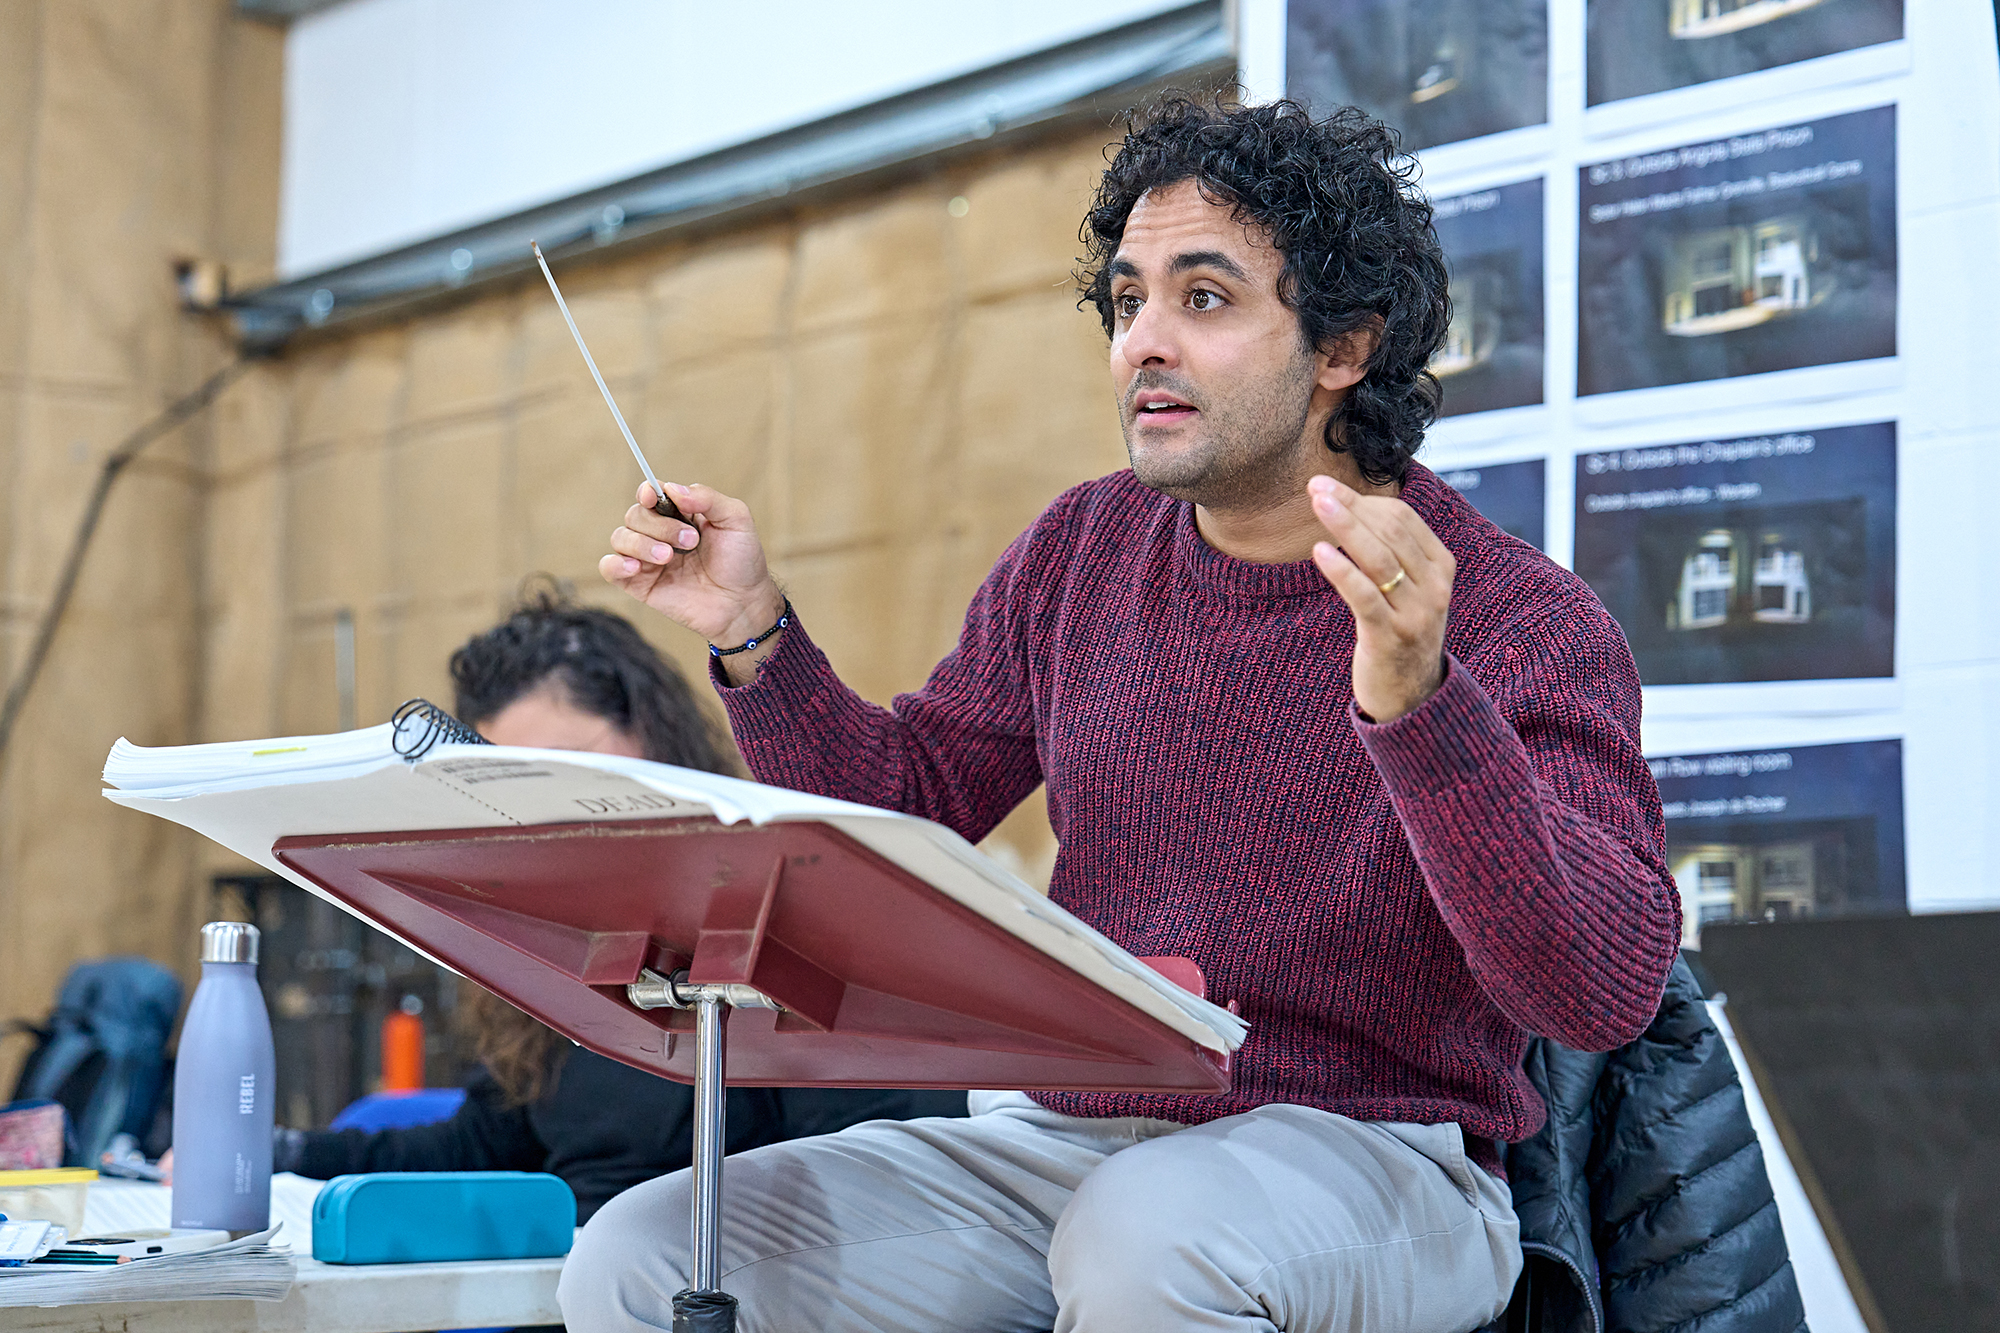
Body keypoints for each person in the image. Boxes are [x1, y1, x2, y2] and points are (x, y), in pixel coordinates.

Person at [564, 97, 1683, 1333]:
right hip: (1067, 1140)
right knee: (645, 1249)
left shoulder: (1520, 617)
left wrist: (1419, 704)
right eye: (1125, 299)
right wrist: (750, 631)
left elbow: (1600, 990)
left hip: (1381, 1163)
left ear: (1342, 346)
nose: (1141, 342)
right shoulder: (1079, 551)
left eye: (1201, 299)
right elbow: (902, 810)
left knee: (1149, 1235)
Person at [162, 590, 965, 1222]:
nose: (547, 802)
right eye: (512, 778)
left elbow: (860, 1161)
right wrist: (284, 1150)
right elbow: (486, 1139)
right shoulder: (553, 938)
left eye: (567, 764)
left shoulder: (776, 915)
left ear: (654, 736)